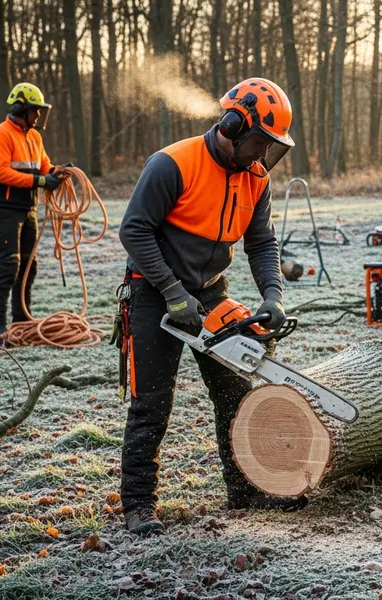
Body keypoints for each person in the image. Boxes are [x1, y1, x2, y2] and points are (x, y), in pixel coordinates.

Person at [117, 78, 302, 536]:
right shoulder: (172, 164)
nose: (262, 154)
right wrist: (172, 292)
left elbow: (262, 242)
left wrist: (273, 295)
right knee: (152, 402)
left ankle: (244, 490)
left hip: (210, 293)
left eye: (270, 146)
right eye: (259, 142)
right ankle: (139, 504)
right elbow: (134, 231)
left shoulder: (256, 177)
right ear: (234, 125)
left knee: (235, 392)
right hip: (153, 292)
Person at [0, 83, 69, 336]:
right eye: (36, 110)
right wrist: (41, 181)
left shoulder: (34, 137)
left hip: (28, 209)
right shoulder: (0, 135)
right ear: (21, 108)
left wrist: (57, 172)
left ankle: (21, 320)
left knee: (29, 266)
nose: (39, 115)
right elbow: (1, 173)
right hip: (6, 209)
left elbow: (44, 166)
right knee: (8, 266)